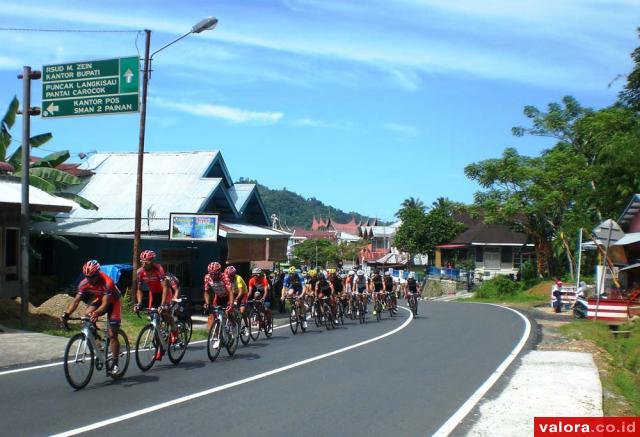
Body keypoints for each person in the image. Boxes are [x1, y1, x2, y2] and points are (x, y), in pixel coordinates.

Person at [61, 260, 122, 375]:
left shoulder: (107, 282)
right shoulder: (84, 283)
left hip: (113, 302)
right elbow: (76, 301)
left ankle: (115, 363)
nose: (89, 279)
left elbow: (105, 304)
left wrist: (97, 313)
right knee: (86, 316)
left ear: (98, 274)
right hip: (100, 299)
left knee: (112, 333)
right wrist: (67, 314)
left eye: (92, 277)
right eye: (87, 276)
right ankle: (99, 344)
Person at [203, 262, 230, 330]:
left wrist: (231, 304)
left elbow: (231, 292)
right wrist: (207, 303)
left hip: (228, 296)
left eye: (215, 274)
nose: (213, 276)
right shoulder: (207, 277)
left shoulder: (224, 277)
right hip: (218, 297)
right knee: (216, 316)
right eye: (211, 274)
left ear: (219, 273)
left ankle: (232, 324)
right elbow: (206, 292)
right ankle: (218, 334)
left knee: (228, 312)